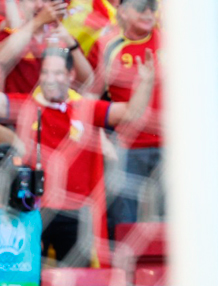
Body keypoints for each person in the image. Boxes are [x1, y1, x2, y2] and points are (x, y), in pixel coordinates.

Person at [1, 46, 155, 267]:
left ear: (71, 76)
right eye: (45, 72)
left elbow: (130, 113)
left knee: (75, 285)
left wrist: (146, 82)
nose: (50, 79)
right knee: (32, 280)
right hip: (33, 211)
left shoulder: (85, 108)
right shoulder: (26, 105)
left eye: (57, 73)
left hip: (75, 215)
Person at [89, 0, 162, 227]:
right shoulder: (106, 45)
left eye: (152, 6)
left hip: (172, 147)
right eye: (141, 7)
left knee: (170, 229)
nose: (148, 12)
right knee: (125, 226)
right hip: (127, 148)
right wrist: (101, 139)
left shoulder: (173, 41)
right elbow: (90, 98)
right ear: (122, 10)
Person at [0, 0, 93, 94]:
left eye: (46, 0)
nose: (39, 5)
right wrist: (38, 21)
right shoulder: (9, 33)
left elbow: (87, 83)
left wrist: (71, 43)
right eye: (32, 0)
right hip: (16, 105)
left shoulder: (63, 37)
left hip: (52, 106)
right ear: (20, 4)